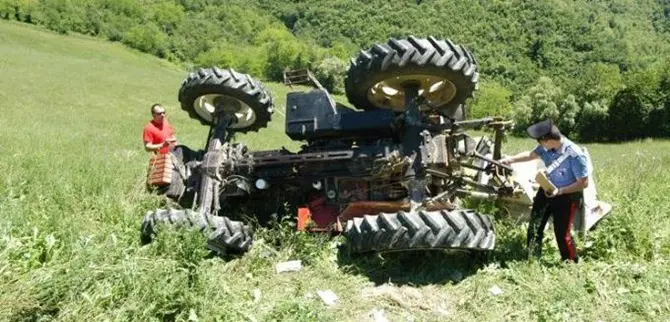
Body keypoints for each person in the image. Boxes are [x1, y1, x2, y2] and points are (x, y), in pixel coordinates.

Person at [500, 118, 591, 263]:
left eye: (539, 142)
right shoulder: (546, 147)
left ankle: (571, 262)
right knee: (535, 225)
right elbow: (531, 155)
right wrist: (510, 159)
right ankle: (532, 257)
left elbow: (583, 183)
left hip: (566, 196)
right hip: (546, 190)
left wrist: (560, 191)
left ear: (548, 141)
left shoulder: (575, 155)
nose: (539, 145)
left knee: (562, 233)